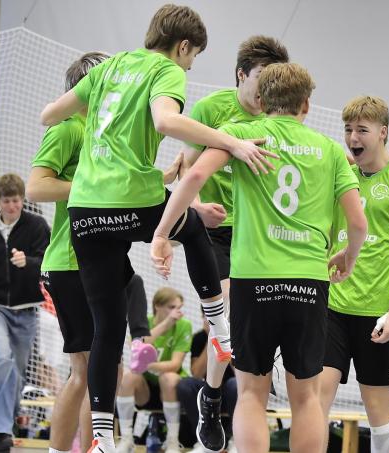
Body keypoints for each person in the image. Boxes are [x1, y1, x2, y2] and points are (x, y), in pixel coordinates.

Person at [39, 4, 275, 452]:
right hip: (129, 196)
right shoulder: (166, 70)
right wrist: (233, 142)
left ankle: (104, 439)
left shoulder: (109, 68)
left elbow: (49, 114)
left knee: (107, 328)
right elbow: (166, 120)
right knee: (189, 230)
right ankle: (219, 325)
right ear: (182, 45)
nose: (189, 65)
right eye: (193, 57)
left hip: (86, 213)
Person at [151, 62, 368, 453]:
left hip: (255, 281)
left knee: (252, 394)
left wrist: (162, 233)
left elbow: (195, 177)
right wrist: (348, 257)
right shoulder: (331, 150)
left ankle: (214, 404)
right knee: (306, 398)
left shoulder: (242, 134)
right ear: (307, 103)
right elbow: (358, 221)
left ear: (263, 101)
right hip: (308, 282)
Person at [27, 51, 177, 453]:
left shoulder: (99, 134)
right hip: (69, 261)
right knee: (83, 373)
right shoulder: (68, 129)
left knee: (103, 368)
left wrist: (159, 179)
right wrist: (90, 193)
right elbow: (35, 187)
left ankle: (97, 445)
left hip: (97, 260)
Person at [180, 36, 288, 417]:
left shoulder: (278, 119)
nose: (267, 87)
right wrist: (196, 207)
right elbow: (185, 168)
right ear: (242, 74)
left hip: (258, 231)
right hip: (213, 229)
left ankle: (218, 397)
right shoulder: (213, 108)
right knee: (224, 310)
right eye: (261, 77)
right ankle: (211, 394)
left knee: (255, 314)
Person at [318, 96, 389, 453]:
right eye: (348, 130)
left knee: (378, 410)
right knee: (316, 400)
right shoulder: (340, 178)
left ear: (383, 133)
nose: (353, 137)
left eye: (362, 130)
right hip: (332, 307)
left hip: (376, 316)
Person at [0, 173, 50, 453]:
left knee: (16, 372)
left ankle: (7, 417)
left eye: (17, 201)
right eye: (7, 201)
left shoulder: (37, 225)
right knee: (1, 358)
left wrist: (26, 261)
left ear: (22, 200)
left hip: (26, 309)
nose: (12, 206)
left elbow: (46, 261)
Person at [115, 287, 192, 453]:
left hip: (170, 387)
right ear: (157, 306)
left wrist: (147, 365)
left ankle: (172, 441)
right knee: (128, 378)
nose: (176, 313)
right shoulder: (144, 322)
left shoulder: (184, 325)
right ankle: (127, 439)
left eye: (179, 308)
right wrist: (165, 325)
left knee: (168, 378)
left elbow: (175, 364)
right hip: (146, 389)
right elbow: (139, 346)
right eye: (172, 307)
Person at [177, 308, 238, 453]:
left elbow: (240, 373)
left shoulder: (237, 335)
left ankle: (236, 439)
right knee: (186, 384)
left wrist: (224, 343)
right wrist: (211, 340)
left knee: (235, 385)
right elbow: (196, 373)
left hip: (231, 392)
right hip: (207, 394)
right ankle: (203, 438)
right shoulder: (199, 338)